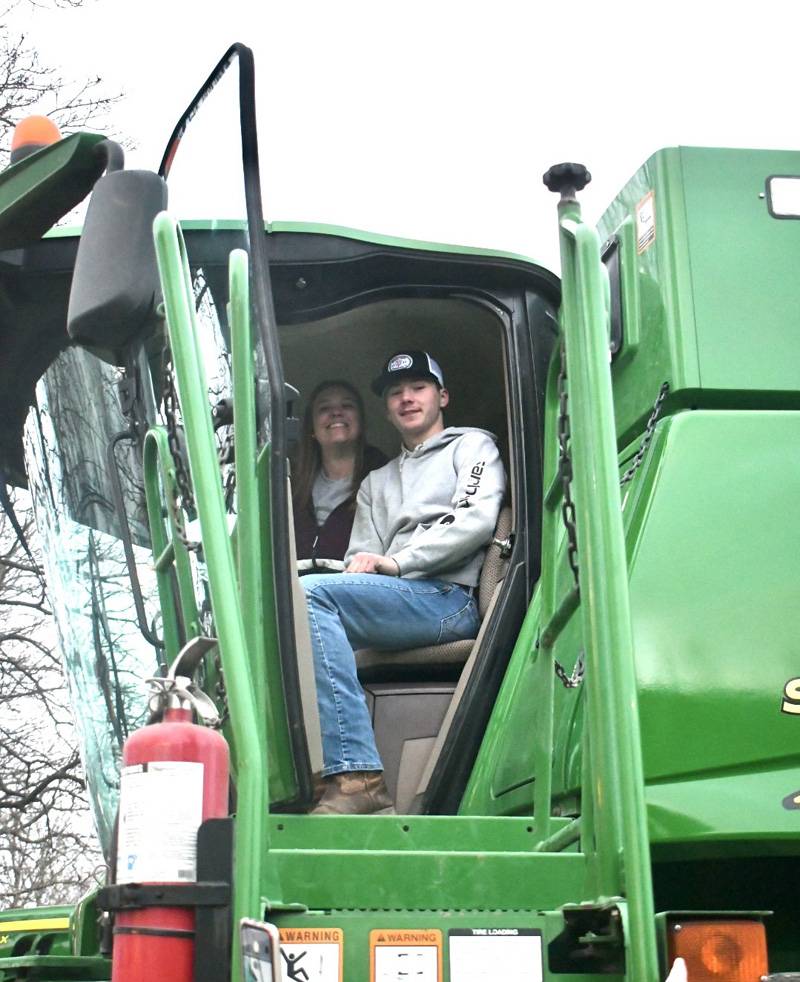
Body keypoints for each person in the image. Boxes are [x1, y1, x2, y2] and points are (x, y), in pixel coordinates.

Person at [302, 350, 506, 815]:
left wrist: (397, 564)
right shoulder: (376, 482)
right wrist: (365, 569)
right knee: (291, 612)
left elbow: (474, 520)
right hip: (396, 598)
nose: (407, 398)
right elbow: (359, 558)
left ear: (442, 396)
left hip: (447, 598)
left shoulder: (472, 447)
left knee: (312, 599)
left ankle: (358, 777)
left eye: (418, 387)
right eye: (396, 392)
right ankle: (312, 776)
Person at [292, 380, 386, 564]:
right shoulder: (291, 482)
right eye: (324, 408)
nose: (336, 412)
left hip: (357, 587)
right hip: (296, 587)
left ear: (361, 422)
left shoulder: (385, 476)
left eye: (347, 405)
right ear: (312, 428)